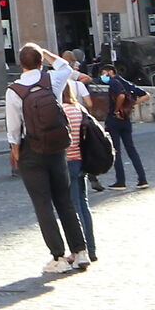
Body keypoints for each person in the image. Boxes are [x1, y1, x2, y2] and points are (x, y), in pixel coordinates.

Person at [5, 46, 88, 275]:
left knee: (43, 204)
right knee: (65, 200)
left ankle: (58, 257)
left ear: (21, 64)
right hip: (56, 147)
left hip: (31, 149)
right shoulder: (52, 79)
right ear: (41, 63)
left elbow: (13, 128)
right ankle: (80, 252)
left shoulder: (14, 90)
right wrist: (46, 52)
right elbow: (65, 66)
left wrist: (15, 151)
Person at [57, 71, 98, 264]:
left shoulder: (62, 111)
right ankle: (91, 248)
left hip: (68, 160)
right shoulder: (78, 108)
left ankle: (80, 250)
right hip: (83, 160)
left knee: (73, 207)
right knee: (84, 205)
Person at [96, 64, 150, 190]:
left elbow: (121, 96)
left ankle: (121, 181)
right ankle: (142, 179)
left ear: (110, 72)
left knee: (116, 151)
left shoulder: (114, 82)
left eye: (104, 73)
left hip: (114, 120)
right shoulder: (125, 82)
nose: (103, 76)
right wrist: (129, 107)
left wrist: (117, 110)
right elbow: (146, 95)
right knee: (131, 150)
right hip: (126, 120)